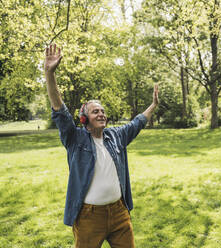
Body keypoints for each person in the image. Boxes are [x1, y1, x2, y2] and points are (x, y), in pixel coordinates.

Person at [44, 43, 159, 248]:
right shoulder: (74, 138)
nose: (101, 114)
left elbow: (137, 123)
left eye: (103, 111)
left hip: (119, 213)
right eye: (95, 111)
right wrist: (49, 73)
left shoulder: (116, 135)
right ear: (84, 118)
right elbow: (59, 110)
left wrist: (153, 105)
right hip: (89, 218)